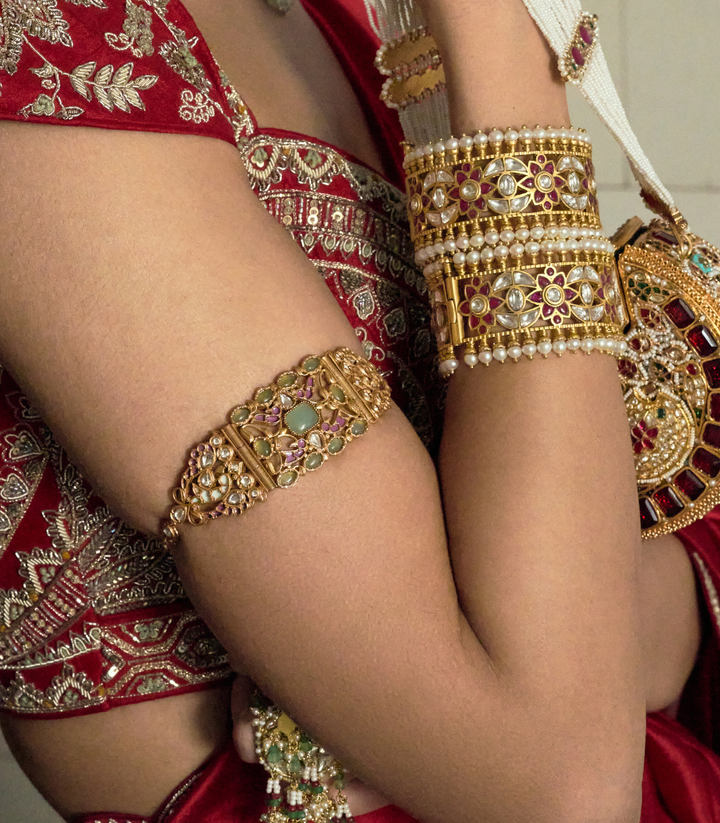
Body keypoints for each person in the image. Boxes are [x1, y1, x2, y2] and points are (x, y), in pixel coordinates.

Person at [0, 1, 713, 822]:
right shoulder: (49, 45)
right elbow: (561, 786)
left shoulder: (339, 20)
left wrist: (590, 650)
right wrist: (505, 47)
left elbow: (592, 655)